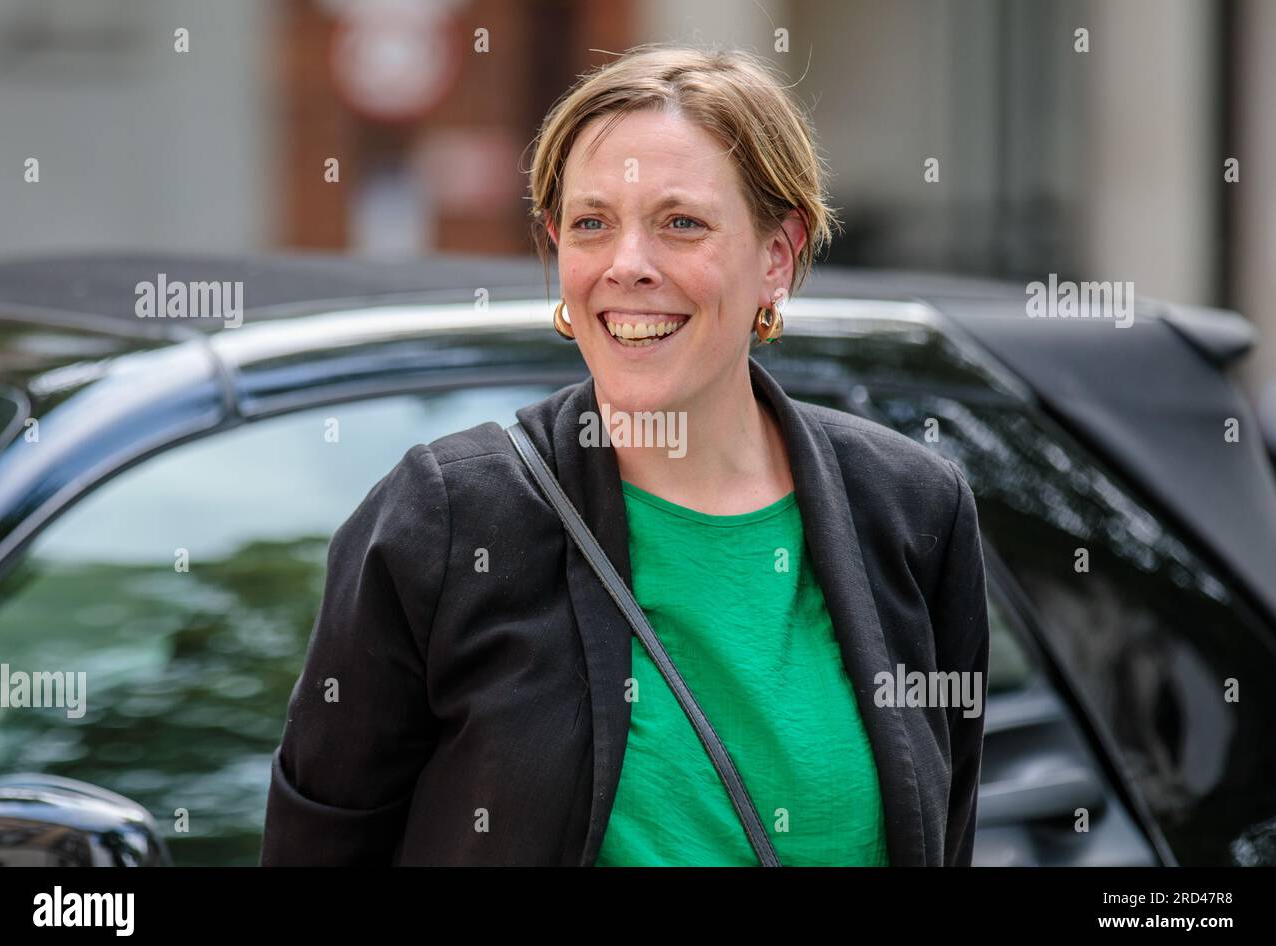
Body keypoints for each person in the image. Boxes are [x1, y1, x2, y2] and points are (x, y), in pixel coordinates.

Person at [260, 42, 989, 867]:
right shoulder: (448, 519)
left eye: (681, 223)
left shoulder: (913, 509)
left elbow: (947, 828)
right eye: (592, 224)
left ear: (777, 257)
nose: (627, 266)